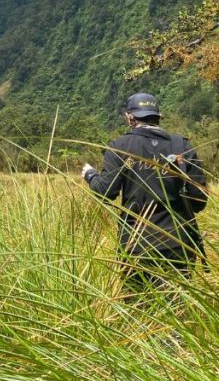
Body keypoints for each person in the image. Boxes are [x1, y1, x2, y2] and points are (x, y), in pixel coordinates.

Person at [81, 92, 207, 293]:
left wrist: (90, 175)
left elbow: (105, 192)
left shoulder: (120, 146)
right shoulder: (181, 146)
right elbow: (199, 201)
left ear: (130, 117)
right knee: (180, 309)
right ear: (157, 116)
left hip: (136, 245)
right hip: (179, 244)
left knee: (138, 309)